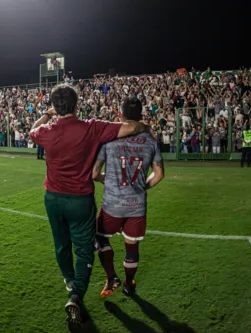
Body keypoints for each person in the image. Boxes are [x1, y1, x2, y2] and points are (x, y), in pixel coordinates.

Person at [29, 84, 154, 327]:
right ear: (77, 105)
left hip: (53, 198)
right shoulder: (92, 127)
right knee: (85, 250)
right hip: (81, 199)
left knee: (61, 244)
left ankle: (69, 280)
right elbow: (131, 127)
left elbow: (32, 131)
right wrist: (145, 126)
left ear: (56, 106)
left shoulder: (47, 129)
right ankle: (75, 296)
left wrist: (47, 114)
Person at [92, 97, 164, 298]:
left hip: (112, 205)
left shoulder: (110, 139)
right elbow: (159, 174)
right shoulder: (151, 140)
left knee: (98, 236)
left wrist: (104, 179)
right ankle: (128, 283)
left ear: (120, 115)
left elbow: (94, 173)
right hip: (137, 205)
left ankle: (111, 276)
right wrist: (141, 187)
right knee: (132, 246)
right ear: (141, 116)